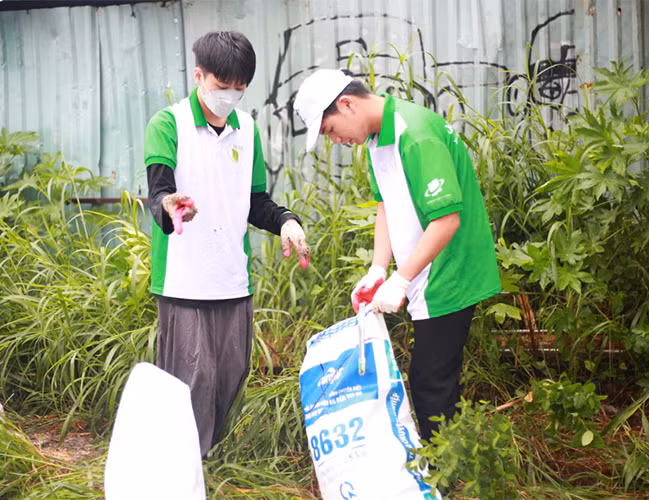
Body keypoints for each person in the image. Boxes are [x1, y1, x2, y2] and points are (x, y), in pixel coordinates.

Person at [293, 69, 500, 441]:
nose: (335, 140)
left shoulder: (415, 135)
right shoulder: (376, 140)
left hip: (450, 272)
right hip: (424, 271)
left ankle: (449, 481)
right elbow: (385, 204)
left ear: (347, 103)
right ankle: (446, 471)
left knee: (430, 385)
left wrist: (401, 278)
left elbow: (447, 221)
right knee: (430, 381)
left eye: (329, 130)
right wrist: (377, 268)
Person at [144, 31, 310, 457]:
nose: (231, 96)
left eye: (240, 89)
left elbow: (254, 202)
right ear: (199, 75)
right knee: (191, 378)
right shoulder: (168, 124)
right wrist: (171, 205)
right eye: (222, 87)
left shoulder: (247, 129)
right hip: (184, 278)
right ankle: (183, 467)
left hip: (232, 278)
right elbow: (159, 192)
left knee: (229, 376)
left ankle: (208, 459)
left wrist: (286, 221)